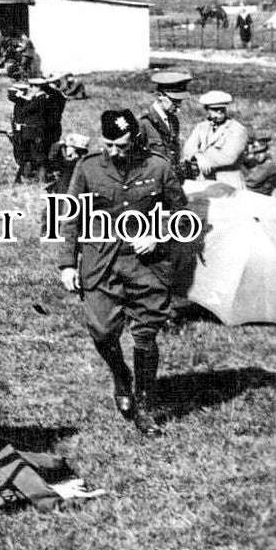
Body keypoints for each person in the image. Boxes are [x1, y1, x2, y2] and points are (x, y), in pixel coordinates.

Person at [58, 109, 188, 437]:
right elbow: (71, 216)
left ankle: (145, 405)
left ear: (137, 140)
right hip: (101, 261)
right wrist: (67, 264)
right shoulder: (88, 168)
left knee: (145, 333)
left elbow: (181, 213)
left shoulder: (158, 167)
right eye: (110, 144)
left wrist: (158, 234)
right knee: (102, 331)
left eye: (123, 144)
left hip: (146, 265)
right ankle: (121, 377)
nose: (116, 151)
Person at [181, 91, 249, 188]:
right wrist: (199, 156)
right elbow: (188, 148)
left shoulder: (237, 129)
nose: (219, 113)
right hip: (204, 180)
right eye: (215, 109)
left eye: (222, 109)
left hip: (228, 182)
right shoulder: (202, 126)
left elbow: (229, 157)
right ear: (206, 109)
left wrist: (203, 158)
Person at [138, 71, 189, 175]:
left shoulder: (173, 120)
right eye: (174, 101)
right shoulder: (144, 122)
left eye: (180, 101)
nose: (178, 105)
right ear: (160, 96)